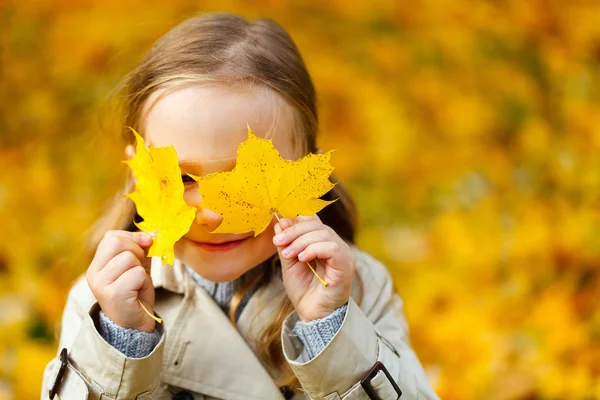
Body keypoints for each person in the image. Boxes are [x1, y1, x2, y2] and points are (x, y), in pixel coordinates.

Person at [41, 12, 439, 400]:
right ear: (136, 174)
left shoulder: (360, 290)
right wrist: (121, 342)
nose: (214, 214)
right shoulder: (103, 302)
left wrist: (329, 329)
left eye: (249, 180)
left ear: (306, 173)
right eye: (182, 179)